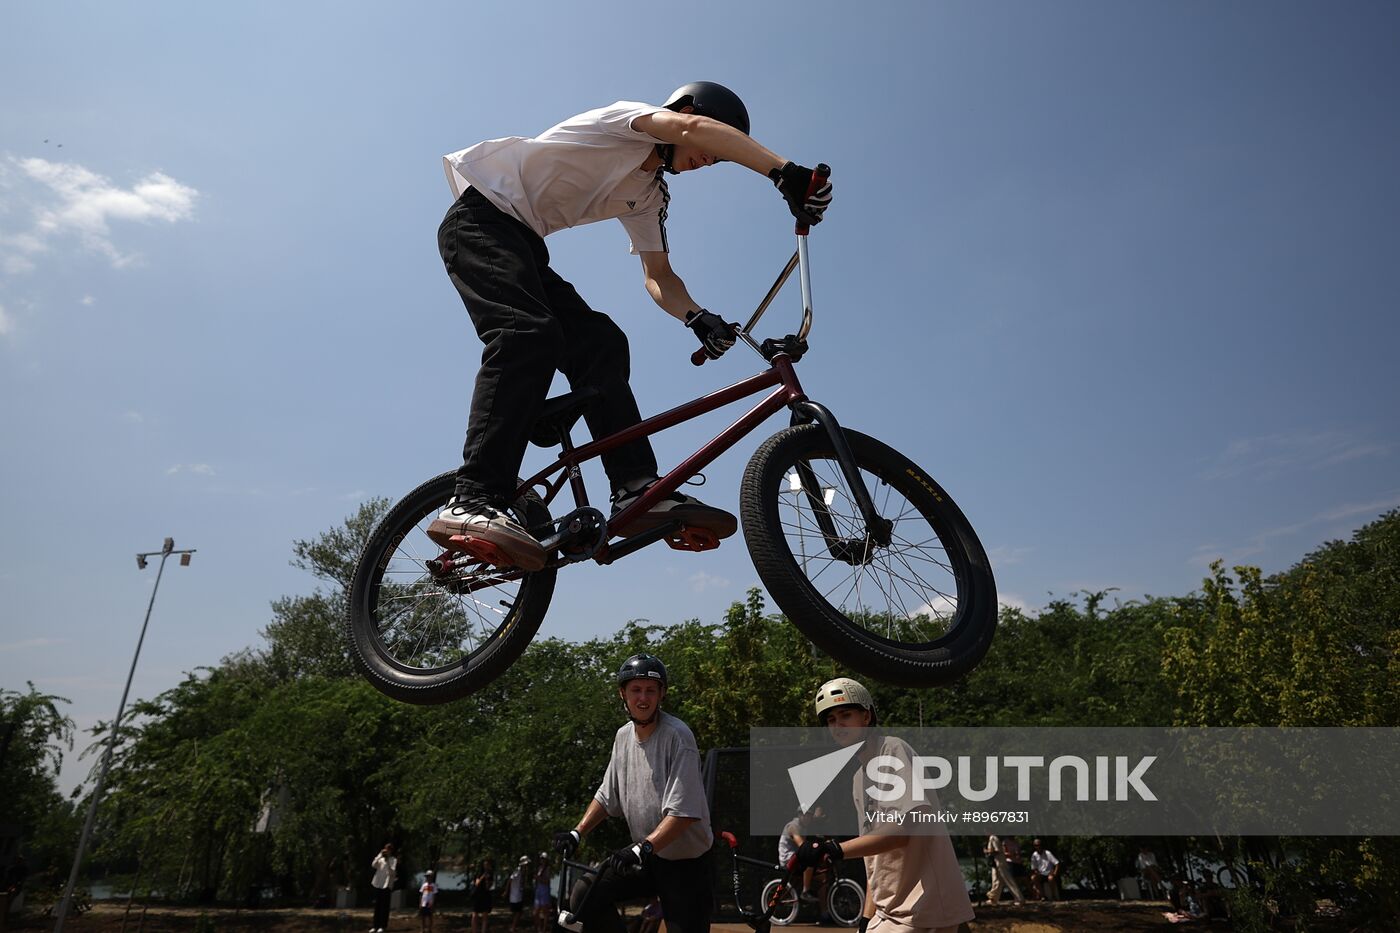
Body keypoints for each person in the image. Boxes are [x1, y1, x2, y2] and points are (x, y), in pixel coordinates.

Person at [426, 82, 833, 571]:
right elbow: (690, 129)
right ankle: (472, 500)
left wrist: (696, 317)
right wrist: (784, 172)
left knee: (602, 343)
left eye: (718, 159)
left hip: (525, 247)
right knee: (528, 334)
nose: (711, 161)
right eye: (713, 149)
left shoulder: (649, 196)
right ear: (685, 113)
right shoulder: (626, 122)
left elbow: (658, 275)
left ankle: (634, 487)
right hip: (479, 221)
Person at [792, 677, 975, 933]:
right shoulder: (859, 778)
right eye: (831, 720)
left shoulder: (892, 750)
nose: (838, 725)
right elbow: (874, 857)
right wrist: (866, 919)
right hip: (891, 909)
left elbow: (904, 831)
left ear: (866, 717)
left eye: (845, 715)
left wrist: (833, 849)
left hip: (922, 906)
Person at [553, 653, 714, 933]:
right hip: (647, 857)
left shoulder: (678, 736)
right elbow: (607, 796)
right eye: (636, 690)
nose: (643, 698)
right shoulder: (622, 737)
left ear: (661, 694)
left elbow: (683, 813)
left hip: (685, 865)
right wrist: (577, 832)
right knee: (586, 894)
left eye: (651, 690)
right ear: (622, 694)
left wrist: (641, 848)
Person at [983, 835, 1023, 906]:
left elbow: (997, 850)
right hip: (996, 863)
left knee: (1008, 880)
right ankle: (993, 898)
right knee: (996, 881)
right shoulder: (992, 838)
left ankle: (1019, 898)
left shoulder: (993, 838)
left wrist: (987, 851)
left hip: (1000, 862)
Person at [370, 843, 398, 933]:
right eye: (386, 849)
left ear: (391, 851)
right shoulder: (380, 859)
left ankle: (383, 926)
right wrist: (380, 855)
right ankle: (375, 925)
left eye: (389, 849)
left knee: (384, 906)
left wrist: (388, 861)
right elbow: (373, 865)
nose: (387, 851)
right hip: (378, 883)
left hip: (387, 885)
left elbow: (392, 872)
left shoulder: (393, 860)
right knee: (377, 905)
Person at [472, 857, 496, 933]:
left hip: (486, 895)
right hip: (478, 894)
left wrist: (487, 881)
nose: (486, 866)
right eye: (485, 864)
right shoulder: (479, 873)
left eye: (488, 865)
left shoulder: (491, 874)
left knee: (485, 914)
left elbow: (488, 887)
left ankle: (483, 930)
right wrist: (483, 877)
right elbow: (477, 883)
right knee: (475, 914)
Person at [507, 855, 530, 932]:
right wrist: (507, 891)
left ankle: (513, 926)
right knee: (517, 912)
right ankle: (512, 927)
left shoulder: (522, 872)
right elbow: (510, 880)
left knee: (518, 912)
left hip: (518, 895)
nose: (527, 866)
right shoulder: (517, 871)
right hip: (515, 895)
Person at [533, 852, 553, 933]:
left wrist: (538, 878)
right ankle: (539, 929)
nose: (542, 860)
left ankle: (543, 929)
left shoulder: (547, 869)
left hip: (544, 891)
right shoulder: (539, 868)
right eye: (541, 858)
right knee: (535, 912)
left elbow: (547, 881)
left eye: (544, 859)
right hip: (538, 891)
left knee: (545, 912)